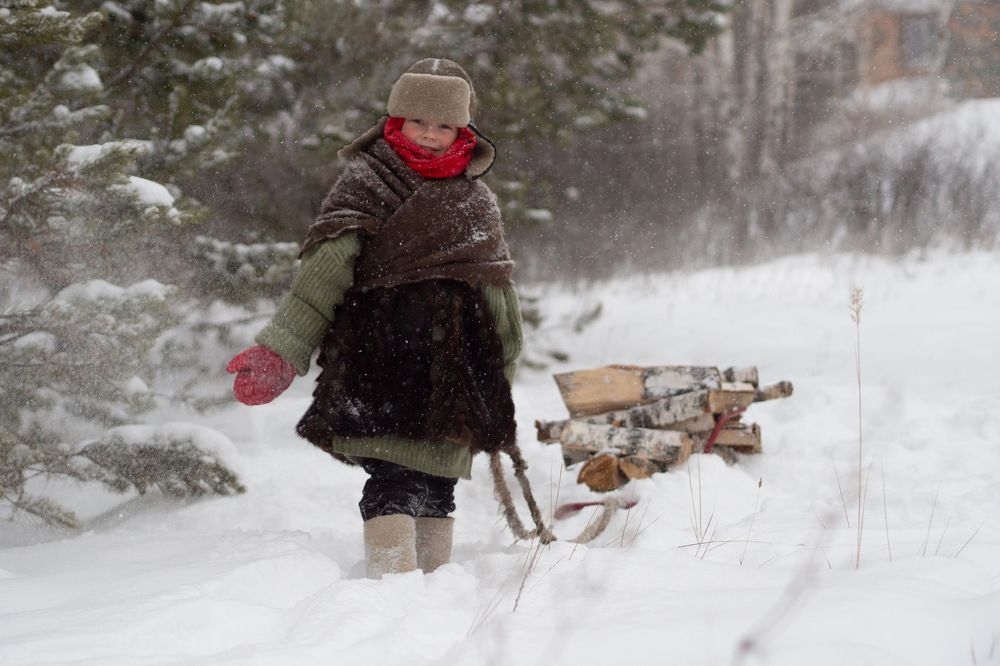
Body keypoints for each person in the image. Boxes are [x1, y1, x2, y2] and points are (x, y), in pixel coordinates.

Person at [226, 58, 524, 579]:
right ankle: (394, 586)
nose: (429, 135)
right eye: (418, 122)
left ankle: (434, 586)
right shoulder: (368, 181)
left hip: (458, 357)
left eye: (443, 125)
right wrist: (283, 350)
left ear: (463, 130)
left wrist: (501, 369)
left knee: (438, 485)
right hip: (382, 351)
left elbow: (497, 290)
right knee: (395, 476)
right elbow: (324, 274)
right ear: (395, 122)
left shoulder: (475, 201)